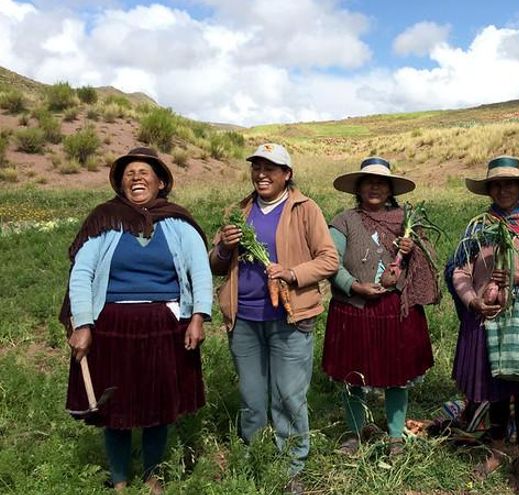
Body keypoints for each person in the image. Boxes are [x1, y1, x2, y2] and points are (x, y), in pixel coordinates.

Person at [62, 147, 211, 494]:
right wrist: (83, 323)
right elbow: (81, 273)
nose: (137, 177)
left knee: (158, 406)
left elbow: (199, 270)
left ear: (161, 183)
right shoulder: (104, 221)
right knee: (115, 408)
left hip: (164, 325)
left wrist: (198, 317)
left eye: (145, 172)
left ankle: (153, 476)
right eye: (129, 174)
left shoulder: (178, 223)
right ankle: (119, 480)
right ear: (120, 184)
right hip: (112, 326)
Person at [209, 143, 338, 494]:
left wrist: (293, 273)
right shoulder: (238, 211)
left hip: (290, 317)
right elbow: (215, 264)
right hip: (245, 319)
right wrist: (223, 247)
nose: (262, 174)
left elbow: (329, 260)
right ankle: (254, 457)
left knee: (289, 396)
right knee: (252, 397)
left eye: (271, 168)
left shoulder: (305, 209)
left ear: (287, 174)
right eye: (257, 167)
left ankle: (292, 466)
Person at [447, 156, 519, 494]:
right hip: (485, 317)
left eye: (510, 183)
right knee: (495, 393)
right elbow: (458, 270)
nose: (504, 189)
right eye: (497, 184)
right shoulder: (479, 225)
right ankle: (496, 451)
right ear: (489, 189)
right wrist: (472, 300)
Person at [322, 156, 441, 456]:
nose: (375, 187)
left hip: (395, 309)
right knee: (353, 376)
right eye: (368, 182)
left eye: (381, 183)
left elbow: (427, 264)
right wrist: (355, 285)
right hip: (354, 308)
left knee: (397, 375)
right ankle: (355, 432)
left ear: (390, 190)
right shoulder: (343, 221)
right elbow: (330, 262)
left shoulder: (406, 221)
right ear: (358, 188)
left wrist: (412, 250)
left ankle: (395, 436)